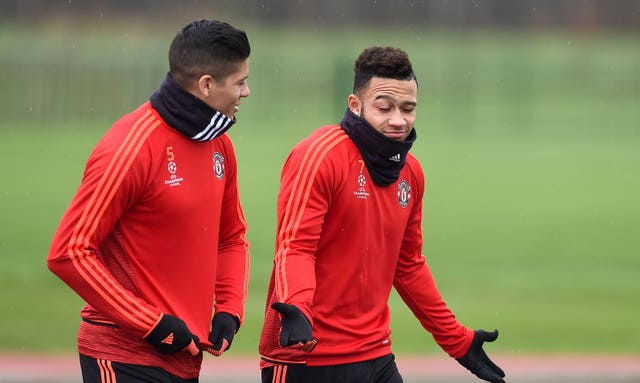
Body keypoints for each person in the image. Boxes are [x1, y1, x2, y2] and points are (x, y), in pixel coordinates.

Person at [258, 46, 506, 383]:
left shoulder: (411, 173)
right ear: (355, 105)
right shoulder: (319, 155)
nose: (397, 120)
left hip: (375, 356)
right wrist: (297, 307)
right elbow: (295, 247)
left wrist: (457, 340)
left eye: (408, 109)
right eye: (384, 107)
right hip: (305, 359)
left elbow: (408, 264)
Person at [48, 19, 251, 383]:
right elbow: (69, 253)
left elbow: (231, 237)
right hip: (122, 357)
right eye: (240, 82)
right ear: (206, 85)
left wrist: (230, 308)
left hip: (185, 356)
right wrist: (152, 324)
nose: (246, 92)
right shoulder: (130, 147)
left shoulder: (219, 143)